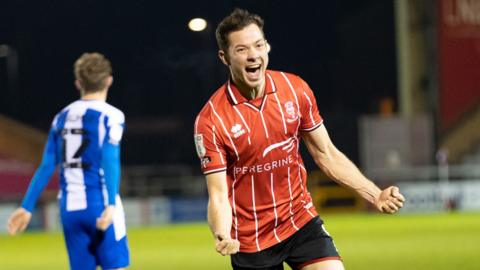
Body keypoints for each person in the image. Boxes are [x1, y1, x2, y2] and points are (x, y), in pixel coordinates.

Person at [194, 9, 405, 270]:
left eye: (259, 45)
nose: (253, 55)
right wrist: (222, 233)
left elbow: (326, 153)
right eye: (241, 49)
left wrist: (375, 194)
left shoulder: (295, 90)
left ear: (267, 47)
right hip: (251, 240)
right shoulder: (211, 119)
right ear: (224, 57)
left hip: (300, 220)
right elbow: (218, 194)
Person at [6, 52, 130, 270]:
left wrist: (26, 206)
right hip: (100, 203)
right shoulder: (112, 115)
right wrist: (111, 203)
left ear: (78, 83)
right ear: (109, 80)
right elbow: (110, 159)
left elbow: (46, 166)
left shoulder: (61, 116)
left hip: (70, 209)